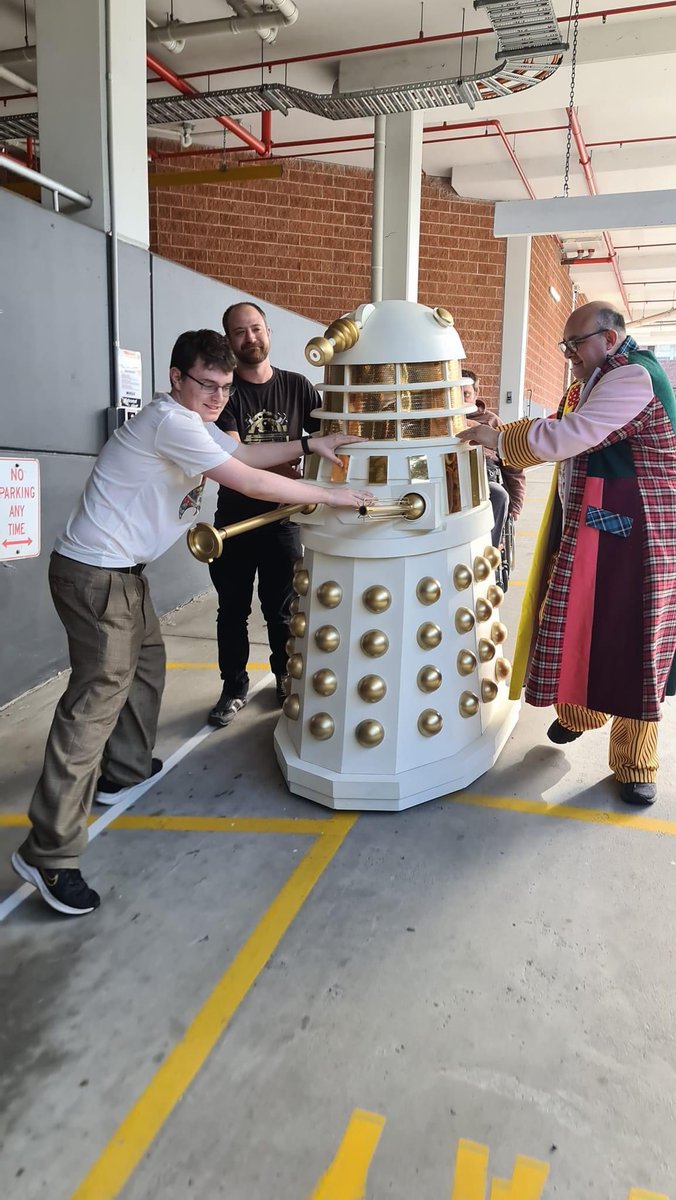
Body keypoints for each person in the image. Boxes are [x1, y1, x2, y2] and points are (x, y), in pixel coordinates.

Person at [11, 329, 371, 917]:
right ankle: (49, 852)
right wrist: (331, 495)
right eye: (206, 384)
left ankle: (123, 771)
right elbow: (246, 480)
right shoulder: (169, 421)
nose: (217, 396)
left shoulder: (189, 422)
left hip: (118, 573)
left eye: (226, 387)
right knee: (95, 701)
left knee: (147, 665)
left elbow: (241, 456)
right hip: (97, 576)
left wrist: (312, 442)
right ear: (176, 377)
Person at [458, 301, 676, 807]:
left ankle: (636, 762)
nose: (568, 355)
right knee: (576, 623)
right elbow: (558, 427)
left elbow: (568, 435)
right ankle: (582, 713)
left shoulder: (632, 379)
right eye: (566, 346)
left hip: (642, 536)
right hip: (591, 522)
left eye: (574, 344)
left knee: (635, 646)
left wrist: (497, 439)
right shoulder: (588, 381)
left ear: (610, 337)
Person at [207, 301, 321, 728]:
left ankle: (283, 678)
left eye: (255, 328)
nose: (250, 338)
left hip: (283, 522)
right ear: (229, 341)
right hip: (234, 522)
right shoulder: (224, 392)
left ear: (268, 332)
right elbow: (240, 459)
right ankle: (233, 687)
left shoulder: (298, 385)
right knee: (231, 610)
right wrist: (298, 464)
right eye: (239, 332)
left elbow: (326, 439)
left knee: (282, 610)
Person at [462, 369, 525, 546]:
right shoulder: (438, 419)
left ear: (476, 394)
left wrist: (516, 503)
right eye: (455, 394)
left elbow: (513, 463)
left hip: (483, 478)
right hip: (448, 478)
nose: (461, 400)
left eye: (466, 394)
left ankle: (487, 554)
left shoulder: (491, 421)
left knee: (499, 495)